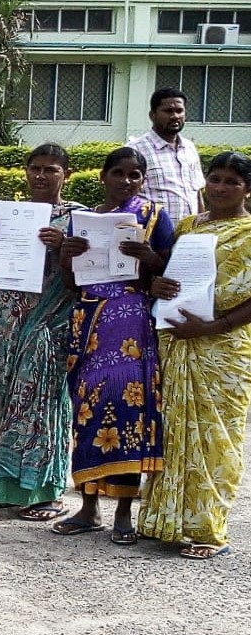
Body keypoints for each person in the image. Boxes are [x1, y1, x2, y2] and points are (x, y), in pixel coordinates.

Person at [53, 147, 173, 541]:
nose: (126, 180)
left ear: (143, 180)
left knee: (128, 411)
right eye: (118, 173)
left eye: (134, 175)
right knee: (87, 412)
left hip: (132, 326)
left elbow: (169, 273)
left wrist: (149, 257)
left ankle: (123, 513)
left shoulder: (154, 216)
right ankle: (88, 508)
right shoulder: (83, 220)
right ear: (103, 177)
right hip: (88, 323)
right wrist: (65, 256)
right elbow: (72, 284)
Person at [140, 151, 251, 560]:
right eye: (215, 179)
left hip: (222, 348)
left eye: (231, 182)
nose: (220, 188)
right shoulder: (189, 225)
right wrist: (157, 286)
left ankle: (208, 530)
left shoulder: (249, 232)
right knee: (172, 431)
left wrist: (213, 327)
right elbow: (172, 276)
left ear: (247, 189)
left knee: (217, 436)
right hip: (176, 341)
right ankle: (165, 521)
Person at [0, 144, 80, 521]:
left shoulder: (77, 218)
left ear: (66, 175)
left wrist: (62, 249)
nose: (41, 176)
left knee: (44, 405)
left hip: (49, 322)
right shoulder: (9, 216)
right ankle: (9, 488)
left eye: (51, 169)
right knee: (9, 401)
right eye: (35, 168)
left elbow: (84, 278)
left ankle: (47, 492)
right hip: (5, 321)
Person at [126, 87, 204, 222]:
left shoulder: (189, 148)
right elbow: (124, 194)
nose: (175, 116)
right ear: (152, 115)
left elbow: (197, 193)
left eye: (179, 111)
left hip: (189, 232)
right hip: (153, 232)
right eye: (168, 111)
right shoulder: (135, 150)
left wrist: (203, 227)